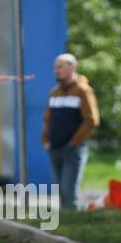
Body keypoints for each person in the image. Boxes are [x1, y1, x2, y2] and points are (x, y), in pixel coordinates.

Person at [40, 52, 99, 211]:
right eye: (55, 67)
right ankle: (65, 221)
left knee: (68, 189)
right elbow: (47, 118)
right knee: (59, 189)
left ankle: (74, 220)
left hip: (72, 149)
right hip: (54, 147)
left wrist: (74, 142)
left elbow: (91, 119)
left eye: (60, 67)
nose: (56, 70)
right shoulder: (55, 92)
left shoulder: (82, 91)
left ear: (72, 67)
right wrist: (45, 139)